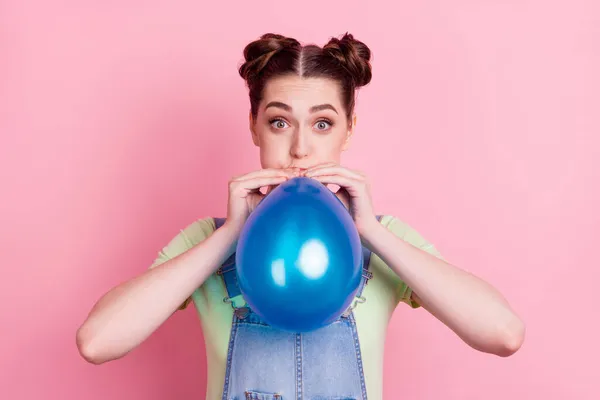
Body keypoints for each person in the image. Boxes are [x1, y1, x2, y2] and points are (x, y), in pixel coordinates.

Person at [76, 32, 525, 400]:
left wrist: (370, 231)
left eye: (323, 123)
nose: (300, 149)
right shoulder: (205, 240)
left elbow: (503, 334)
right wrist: (229, 235)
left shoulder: (383, 239)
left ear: (350, 128)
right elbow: (97, 343)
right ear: (253, 124)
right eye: (279, 122)